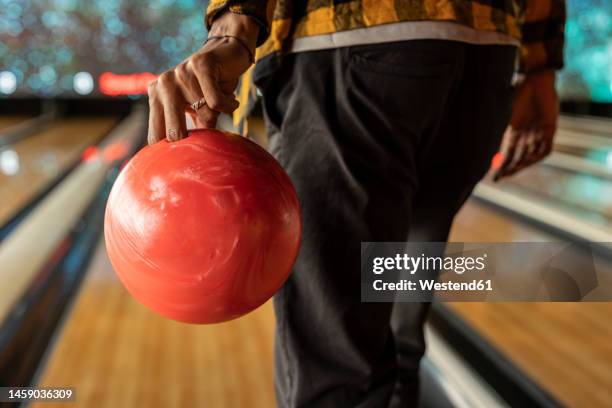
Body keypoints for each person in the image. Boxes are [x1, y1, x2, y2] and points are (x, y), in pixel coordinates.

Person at [147, 1, 566, 406]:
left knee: (334, 370)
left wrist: (234, 25)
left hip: (352, 40)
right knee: (399, 315)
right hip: (485, 56)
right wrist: (541, 65)